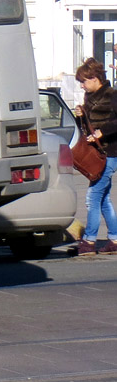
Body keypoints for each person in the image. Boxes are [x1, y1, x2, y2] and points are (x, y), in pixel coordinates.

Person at [74, 57, 117, 254]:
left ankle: (89, 241)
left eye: (84, 81)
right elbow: (87, 130)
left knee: (93, 197)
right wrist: (81, 117)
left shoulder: (112, 95)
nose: (82, 86)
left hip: (110, 152)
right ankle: (114, 241)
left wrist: (103, 131)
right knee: (103, 198)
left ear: (95, 78)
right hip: (97, 153)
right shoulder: (89, 99)